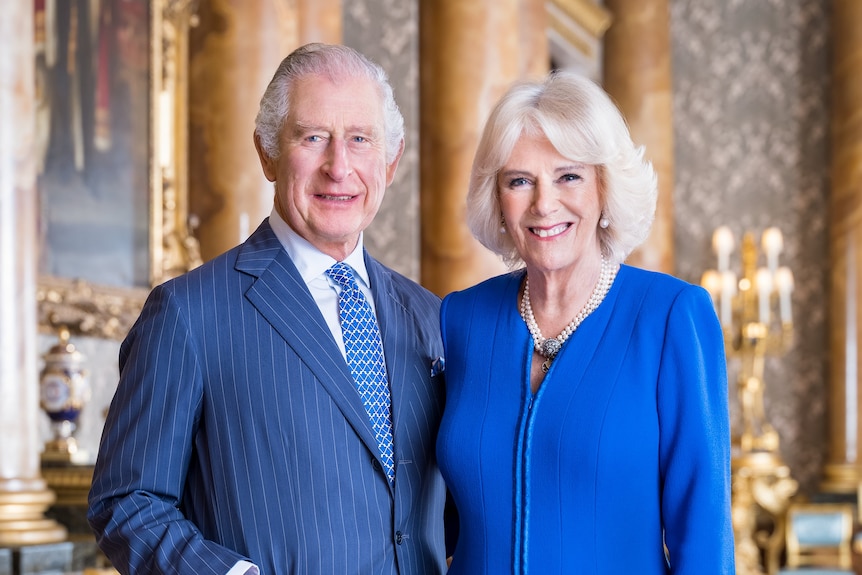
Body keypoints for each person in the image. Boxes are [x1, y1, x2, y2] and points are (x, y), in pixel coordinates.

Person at [88, 43, 448, 575]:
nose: (339, 166)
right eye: (313, 137)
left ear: (390, 162)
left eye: (359, 139)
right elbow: (126, 502)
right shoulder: (188, 314)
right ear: (267, 153)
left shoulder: (430, 317)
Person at [436, 71, 735, 574]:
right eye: (519, 181)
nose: (544, 203)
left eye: (568, 175)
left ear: (604, 187)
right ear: (499, 201)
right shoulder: (460, 318)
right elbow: (427, 517)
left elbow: (703, 538)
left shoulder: (670, 318)